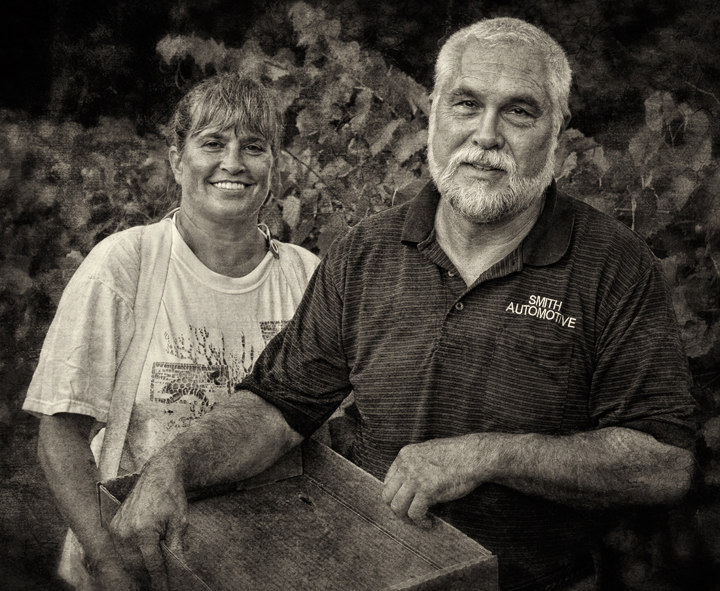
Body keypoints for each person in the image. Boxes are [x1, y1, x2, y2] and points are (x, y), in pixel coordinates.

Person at [108, 18, 697, 591]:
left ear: (557, 130)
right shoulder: (367, 253)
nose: (486, 135)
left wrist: (488, 455)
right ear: (434, 113)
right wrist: (173, 465)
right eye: (466, 104)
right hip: (378, 573)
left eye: (519, 111)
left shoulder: (613, 265)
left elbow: (664, 463)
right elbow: (277, 408)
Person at [22, 73, 320, 591]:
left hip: (269, 559)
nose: (233, 163)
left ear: (273, 166)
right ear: (177, 160)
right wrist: (107, 559)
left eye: (254, 147)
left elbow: (328, 432)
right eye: (213, 144)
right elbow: (61, 433)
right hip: (140, 556)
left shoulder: (306, 276)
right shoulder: (125, 265)